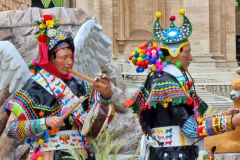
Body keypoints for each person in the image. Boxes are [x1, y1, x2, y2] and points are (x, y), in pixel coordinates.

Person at [125, 9, 240, 160]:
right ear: (174, 52)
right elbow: (191, 129)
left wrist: (224, 115)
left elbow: (190, 123)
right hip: (172, 155)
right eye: (188, 52)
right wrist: (231, 122)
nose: (191, 57)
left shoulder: (169, 79)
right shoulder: (165, 84)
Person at [3, 14, 114, 160]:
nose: (69, 62)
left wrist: (106, 98)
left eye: (71, 57)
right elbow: (12, 130)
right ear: (50, 59)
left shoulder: (82, 86)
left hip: (79, 154)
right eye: (64, 58)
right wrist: (44, 122)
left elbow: (95, 130)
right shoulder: (33, 88)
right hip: (47, 155)